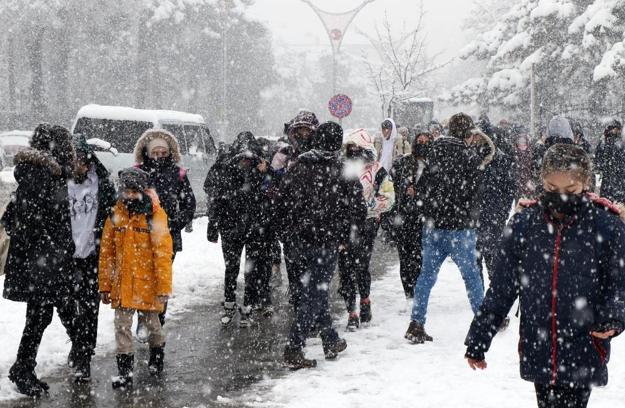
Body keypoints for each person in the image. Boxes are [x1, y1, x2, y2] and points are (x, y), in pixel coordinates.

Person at [464, 144, 625, 408]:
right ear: (542, 182)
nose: (561, 197)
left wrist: (614, 315)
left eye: (570, 191)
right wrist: (479, 339)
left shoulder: (606, 226)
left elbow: (619, 283)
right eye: (552, 189)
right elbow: (502, 288)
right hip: (539, 344)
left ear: (586, 182)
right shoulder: (524, 225)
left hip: (584, 344)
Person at [278, 122, 366, 369]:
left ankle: (330, 339)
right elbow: (358, 208)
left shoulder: (298, 167)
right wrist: (348, 238)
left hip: (299, 241)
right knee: (315, 295)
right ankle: (294, 347)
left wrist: (287, 235)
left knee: (314, 291)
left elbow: (280, 203)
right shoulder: (341, 169)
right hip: (325, 241)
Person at [405, 113, 495, 344]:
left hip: (434, 226)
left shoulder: (434, 153)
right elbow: (477, 193)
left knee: (425, 276)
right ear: (467, 134)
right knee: (472, 277)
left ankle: (416, 323)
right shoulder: (469, 157)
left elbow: (423, 187)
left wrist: (430, 211)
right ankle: (482, 323)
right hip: (461, 228)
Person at [2, 124, 77, 396]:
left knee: (43, 314)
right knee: (43, 314)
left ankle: (25, 367)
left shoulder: (43, 172)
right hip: (41, 262)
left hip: (41, 261)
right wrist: (52, 250)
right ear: (58, 147)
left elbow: (15, 216)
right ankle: (24, 368)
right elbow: (29, 219)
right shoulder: (41, 174)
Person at [99, 168, 173, 389]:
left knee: (153, 326)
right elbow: (107, 252)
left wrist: (163, 287)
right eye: (126, 191)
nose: (130, 195)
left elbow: (162, 254)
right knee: (121, 326)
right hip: (122, 285)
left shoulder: (155, 215)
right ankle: (124, 372)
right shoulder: (115, 214)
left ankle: (156, 356)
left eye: (134, 191)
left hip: (148, 284)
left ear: (142, 190)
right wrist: (105, 284)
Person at [66, 134, 117, 383]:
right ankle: (78, 343)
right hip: (65, 258)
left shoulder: (103, 184)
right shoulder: (59, 183)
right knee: (65, 307)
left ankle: (83, 357)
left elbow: (113, 217)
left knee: (89, 309)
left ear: (90, 162)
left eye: (83, 162)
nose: (79, 167)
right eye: (74, 162)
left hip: (92, 256)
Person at [134, 129, 196, 331]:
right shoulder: (137, 172)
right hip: (140, 235)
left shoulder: (178, 174)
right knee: (142, 277)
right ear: (147, 152)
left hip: (168, 236)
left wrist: (175, 223)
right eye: (155, 152)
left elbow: (189, 203)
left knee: (161, 277)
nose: (159, 156)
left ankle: (158, 318)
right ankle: (143, 318)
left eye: (163, 152)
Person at [339, 129, 395, 330]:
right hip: (344, 226)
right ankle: (351, 312)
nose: (354, 151)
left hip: (367, 224)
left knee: (361, 265)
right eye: (350, 147)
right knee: (345, 268)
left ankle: (364, 300)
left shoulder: (378, 170)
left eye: (357, 147)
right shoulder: (342, 169)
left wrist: (367, 207)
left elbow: (389, 198)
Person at [391, 130, 432, 300]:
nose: (422, 144)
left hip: (423, 218)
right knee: (405, 256)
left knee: (419, 256)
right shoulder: (404, 161)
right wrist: (404, 190)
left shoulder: (433, 165)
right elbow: (393, 186)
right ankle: (408, 290)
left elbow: (436, 191)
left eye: (425, 141)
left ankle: (418, 289)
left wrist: (420, 194)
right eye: (419, 141)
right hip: (404, 216)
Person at [594, 119, 625, 204]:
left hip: (608, 183)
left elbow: (597, 163)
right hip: (619, 183)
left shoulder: (603, 143)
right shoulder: (620, 143)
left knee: (607, 205)